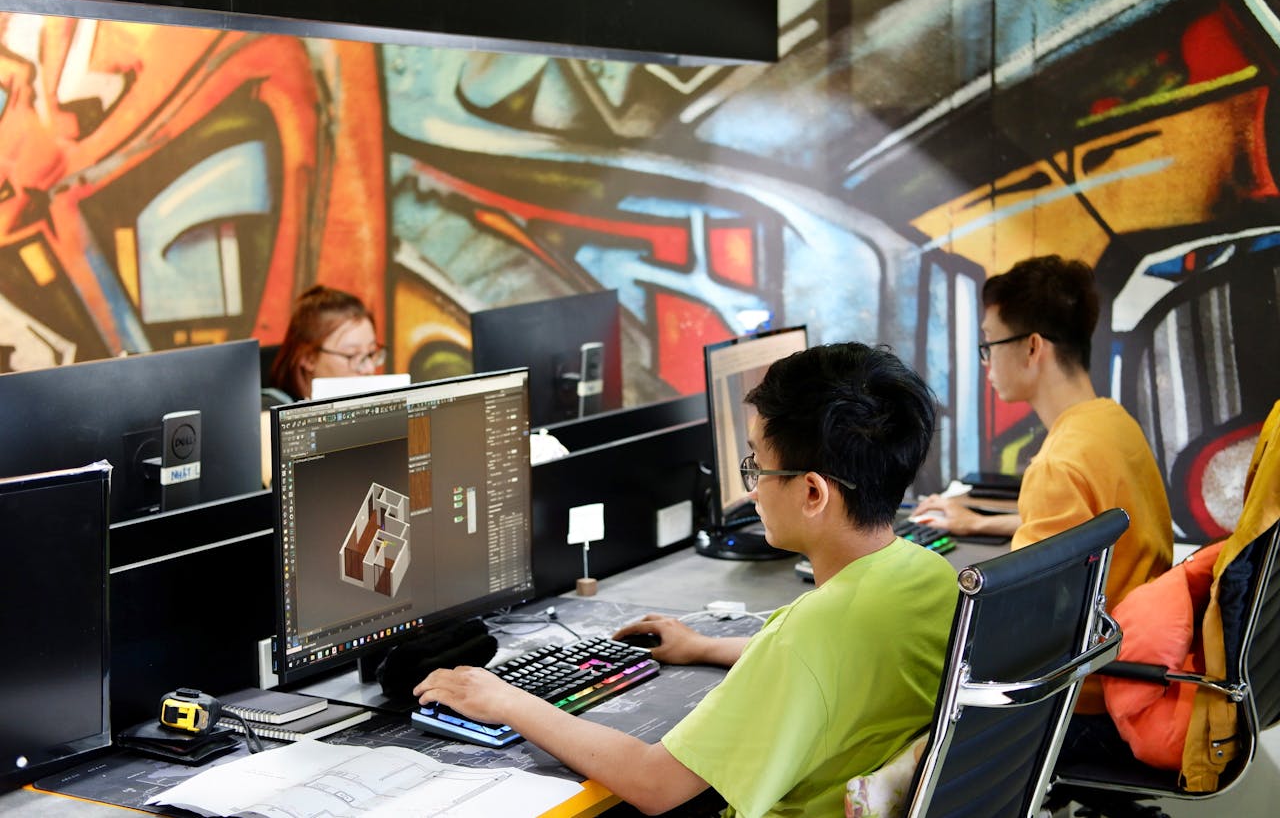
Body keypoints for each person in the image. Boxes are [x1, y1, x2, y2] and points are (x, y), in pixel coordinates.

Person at [415, 342, 959, 817]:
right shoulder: (929, 576)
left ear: (813, 493)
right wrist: (704, 645)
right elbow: (843, 665)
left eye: (757, 467)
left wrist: (508, 700)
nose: (751, 489)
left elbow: (655, 783)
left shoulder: (807, 636)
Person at [914, 254, 1172, 730]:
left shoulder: (1057, 464)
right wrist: (979, 522)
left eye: (989, 344)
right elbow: (1087, 529)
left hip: (1078, 697)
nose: (986, 362)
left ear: (1032, 348)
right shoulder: (1111, 424)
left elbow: (1016, 624)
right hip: (1127, 666)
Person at [269, 284, 384, 400]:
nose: (370, 369)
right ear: (309, 357)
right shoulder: (268, 413)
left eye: (371, 353)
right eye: (352, 355)